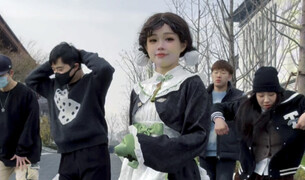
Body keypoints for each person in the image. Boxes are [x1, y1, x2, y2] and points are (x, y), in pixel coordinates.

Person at [115, 12, 210, 180]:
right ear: (145, 47)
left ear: (183, 44)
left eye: (169, 39)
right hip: (138, 171)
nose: (160, 46)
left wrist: (145, 146)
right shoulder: (139, 89)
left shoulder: (191, 83)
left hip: (176, 172)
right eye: (153, 40)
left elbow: (198, 137)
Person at [25, 42, 115, 180]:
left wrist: (81, 54)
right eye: (54, 70)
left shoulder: (93, 83)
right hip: (67, 156)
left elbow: (105, 68)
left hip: (94, 153)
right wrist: (53, 63)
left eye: (60, 69)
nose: (56, 73)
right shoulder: (52, 87)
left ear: (76, 66)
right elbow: (30, 80)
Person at [212, 66, 305, 180]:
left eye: (271, 95)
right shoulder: (245, 104)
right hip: (249, 173)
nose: (266, 100)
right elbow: (219, 107)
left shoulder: (294, 102)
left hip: (281, 174)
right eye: (261, 96)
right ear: (255, 94)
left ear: (278, 92)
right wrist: (218, 119)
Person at [0, 54, 41, 180]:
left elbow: (32, 125)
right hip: (4, 153)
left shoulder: (27, 94)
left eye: (1, 76)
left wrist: (22, 151)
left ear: (11, 73)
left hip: (26, 153)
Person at [200, 60, 243, 180]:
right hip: (205, 151)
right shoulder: (203, 95)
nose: (218, 75)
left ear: (229, 76)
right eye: (215, 72)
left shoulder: (238, 96)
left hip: (227, 151)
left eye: (223, 72)